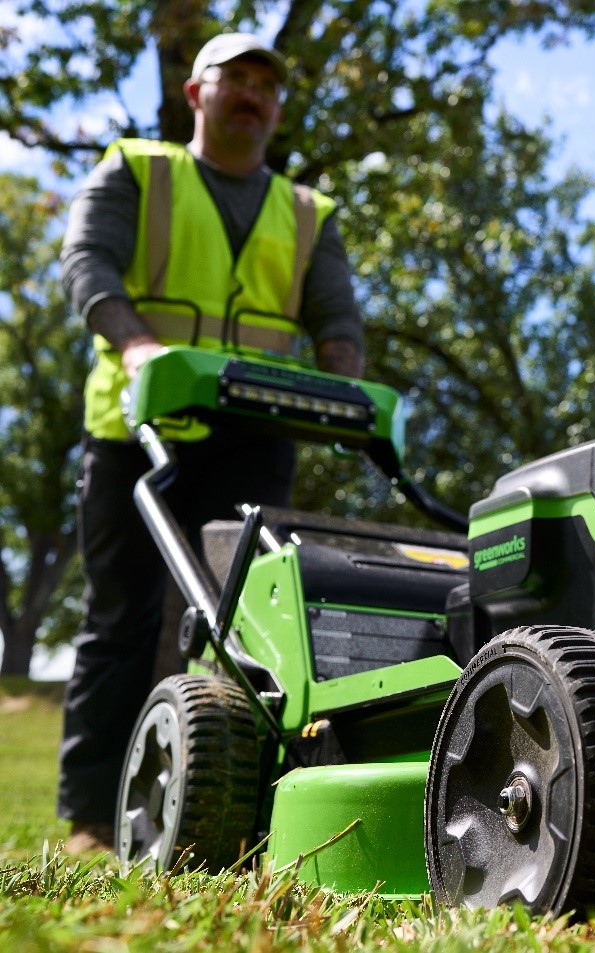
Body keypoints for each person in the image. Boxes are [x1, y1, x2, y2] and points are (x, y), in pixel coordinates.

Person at [57, 32, 365, 853]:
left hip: (253, 435)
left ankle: (244, 812)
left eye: (267, 84)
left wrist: (344, 384)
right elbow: (87, 262)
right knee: (121, 615)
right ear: (197, 94)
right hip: (136, 425)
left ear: (278, 108)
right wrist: (136, 346)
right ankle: (90, 817)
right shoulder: (138, 171)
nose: (252, 93)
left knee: (254, 623)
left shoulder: (308, 213)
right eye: (236, 78)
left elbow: (336, 317)